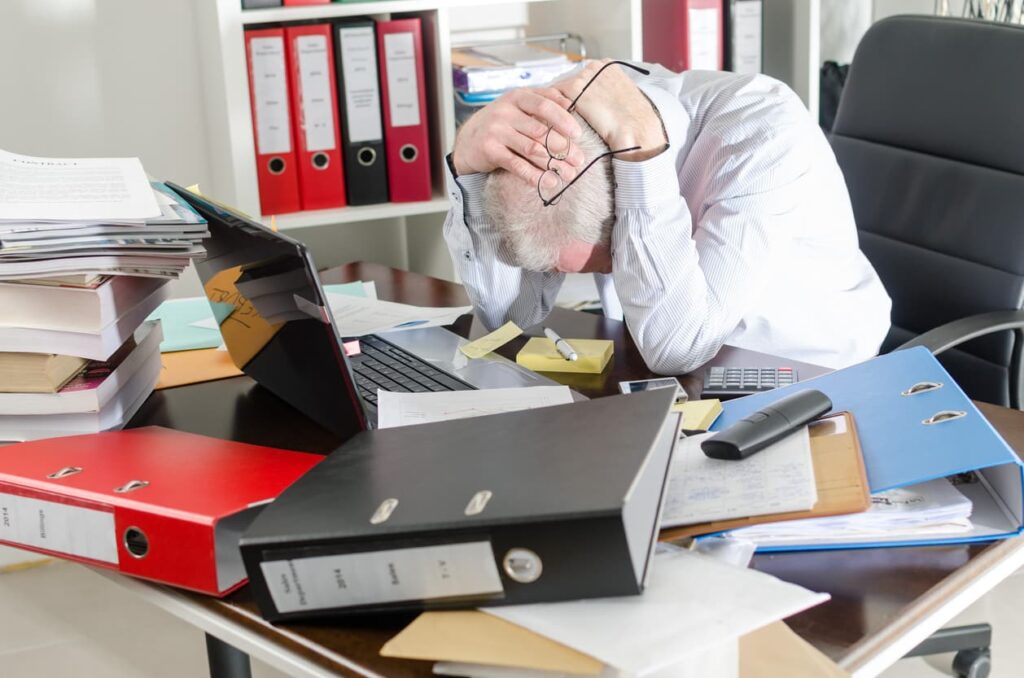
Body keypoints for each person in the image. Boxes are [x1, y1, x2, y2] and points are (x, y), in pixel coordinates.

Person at [443, 60, 891, 373]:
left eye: (609, 262)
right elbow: (512, 319)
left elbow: (678, 346)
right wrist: (469, 171)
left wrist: (644, 161)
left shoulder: (765, 130)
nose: (616, 274)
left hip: (815, 376)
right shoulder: (567, 117)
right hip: (678, 369)